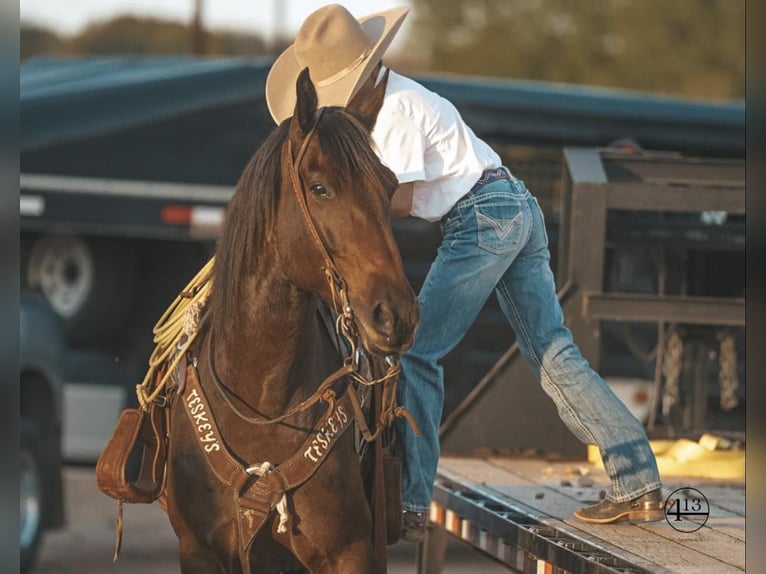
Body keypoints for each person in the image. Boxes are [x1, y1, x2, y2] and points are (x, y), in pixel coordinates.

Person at [265, 4, 664, 542]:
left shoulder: (396, 110)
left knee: (417, 350)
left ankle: (410, 498)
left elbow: (390, 199)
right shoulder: (396, 98)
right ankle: (637, 481)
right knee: (552, 352)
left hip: (480, 217)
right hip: (511, 205)